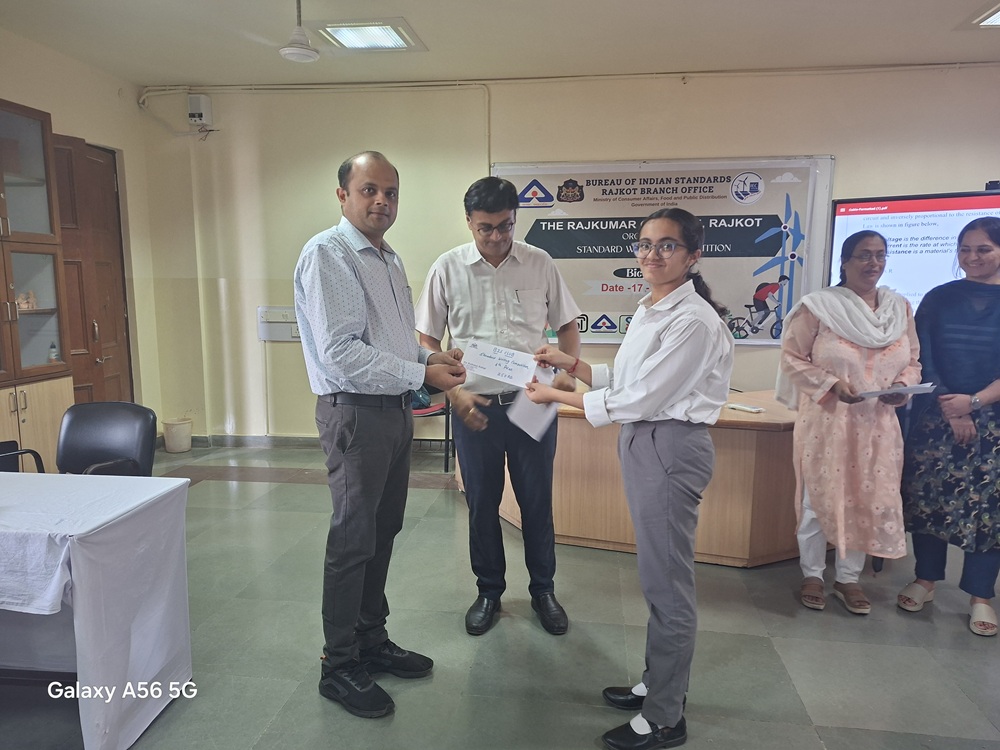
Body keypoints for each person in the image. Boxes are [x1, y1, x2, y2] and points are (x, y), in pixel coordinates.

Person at [525, 208, 733, 750]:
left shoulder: (693, 320)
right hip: (647, 441)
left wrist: (557, 398)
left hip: (669, 445)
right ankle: (657, 684)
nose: (651, 254)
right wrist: (570, 364)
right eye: (644, 244)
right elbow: (626, 378)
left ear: (693, 255)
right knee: (657, 575)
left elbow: (641, 398)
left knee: (668, 584)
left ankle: (664, 717)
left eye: (667, 245)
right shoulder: (652, 307)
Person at [293, 151, 467, 719]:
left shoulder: (387, 258)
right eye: (369, 190)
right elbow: (341, 354)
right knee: (352, 539)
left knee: (382, 530)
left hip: (392, 412)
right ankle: (338, 664)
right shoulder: (329, 253)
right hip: (355, 415)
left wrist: (427, 358)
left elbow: (389, 343)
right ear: (342, 194)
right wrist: (421, 375)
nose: (382, 201)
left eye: (390, 192)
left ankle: (370, 639)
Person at [415, 176, 581, 637]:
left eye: (505, 226)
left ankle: (543, 591)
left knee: (537, 502)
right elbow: (427, 338)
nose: (496, 237)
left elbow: (568, 325)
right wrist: (452, 391)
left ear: (515, 218)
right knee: (482, 504)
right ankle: (488, 591)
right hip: (475, 406)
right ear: (469, 222)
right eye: (485, 227)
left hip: (533, 403)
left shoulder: (539, 262)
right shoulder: (448, 268)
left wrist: (566, 371)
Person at [776, 230, 920, 615]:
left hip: (878, 424)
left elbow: (913, 361)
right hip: (828, 420)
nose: (874, 263)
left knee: (866, 500)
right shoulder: (819, 307)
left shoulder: (899, 309)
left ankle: (848, 578)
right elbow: (791, 358)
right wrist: (831, 384)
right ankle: (812, 573)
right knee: (817, 498)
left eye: (880, 255)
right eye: (864, 255)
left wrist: (902, 387)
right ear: (845, 261)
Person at [898, 216, 1000, 637]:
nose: (972, 257)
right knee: (930, 500)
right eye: (965, 249)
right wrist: (952, 409)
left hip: (993, 420)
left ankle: (981, 596)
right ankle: (925, 579)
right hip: (937, 414)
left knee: (989, 510)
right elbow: (922, 355)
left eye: (983, 249)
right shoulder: (939, 298)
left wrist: (974, 402)